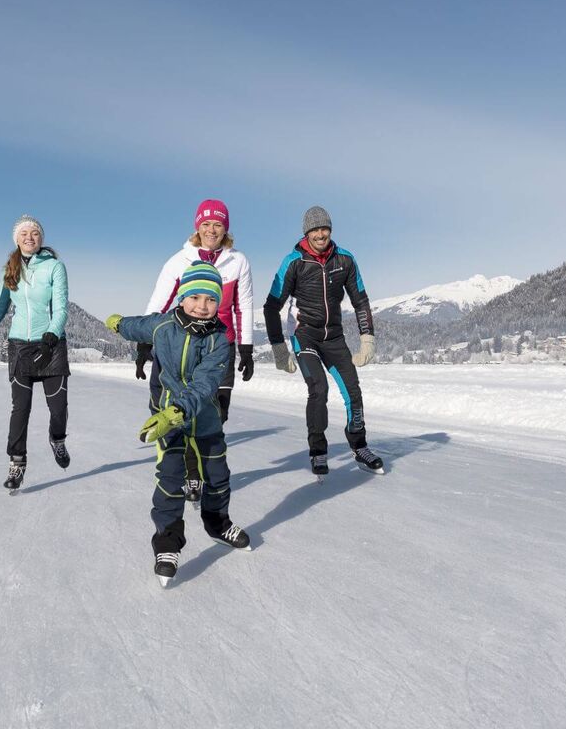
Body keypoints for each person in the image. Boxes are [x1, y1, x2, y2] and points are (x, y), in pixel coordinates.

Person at [105, 261, 251, 587]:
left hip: (204, 419)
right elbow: (139, 326)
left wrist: (179, 411)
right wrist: (119, 324)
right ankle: (167, 542)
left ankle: (217, 524)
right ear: (182, 298)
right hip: (166, 418)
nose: (202, 306)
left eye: (211, 299)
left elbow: (205, 383)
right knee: (170, 478)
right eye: (195, 297)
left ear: (218, 303)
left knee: (217, 478)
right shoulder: (163, 326)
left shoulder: (219, 340)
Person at [137, 198, 254, 504]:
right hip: (182, 347)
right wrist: (144, 344)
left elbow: (243, 306)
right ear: (197, 227)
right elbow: (159, 304)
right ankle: (192, 475)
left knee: (217, 411)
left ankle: (203, 466)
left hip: (220, 345)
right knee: (185, 409)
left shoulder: (238, 261)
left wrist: (246, 347)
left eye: (218, 224)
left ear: (225, 228)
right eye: (206, 224)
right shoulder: (178, 261)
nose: (212, 230)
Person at [263, 206, 384, 476]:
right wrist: (279, 347)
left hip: (334, 336)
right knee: (318, 388)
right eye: (315, 229)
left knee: (353, 390)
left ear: (330, 230)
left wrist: (368, 339)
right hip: (304, 334)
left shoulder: (345, 260)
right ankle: (318, 450)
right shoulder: (293, 261)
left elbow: (360, 300)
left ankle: (359, 445)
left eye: (324, 228)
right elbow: (271, 306)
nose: (320, 234)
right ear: (307, 232)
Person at [0, 215, 70, 489]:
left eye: (34, 233)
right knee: (20, 408)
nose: (29, 237)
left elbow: (61, 308)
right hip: (20, 345)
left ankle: (57, 439)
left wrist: (50, 338)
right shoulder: (9, 269)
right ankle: (16, 463)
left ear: (41, 238)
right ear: (17, 239)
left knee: (58, 409)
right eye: (24, 233)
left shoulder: (55, 267)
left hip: (52, 345)